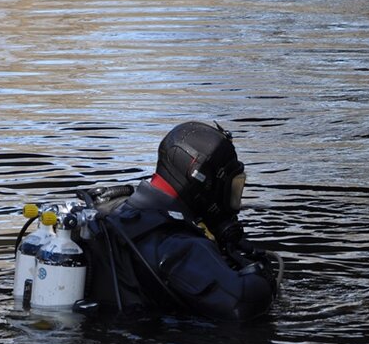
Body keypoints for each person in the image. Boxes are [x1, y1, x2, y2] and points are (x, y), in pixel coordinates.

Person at [78, 121, 281, 322]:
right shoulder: (181, 244)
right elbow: (241, 304)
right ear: (201, 180)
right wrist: (264, 275)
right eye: (230, 187)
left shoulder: (116, 212)